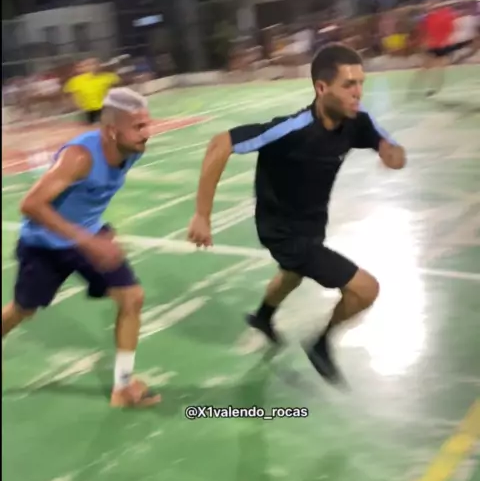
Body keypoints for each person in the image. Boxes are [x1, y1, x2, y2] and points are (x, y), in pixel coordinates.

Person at [187, 43, 406, 386]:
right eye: (349, 84)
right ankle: (321, 344)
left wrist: (392, 155)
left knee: (292, 275)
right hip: (281, 229)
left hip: (311, 223)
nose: (358, 93)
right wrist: (202, 214)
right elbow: (220, 143)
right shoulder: (292, 129)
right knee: (366, 289)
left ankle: (263, 317)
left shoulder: (356, 121)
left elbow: (390, 148)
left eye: (360, 83)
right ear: (321, 87)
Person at [2, 87, 160, 409]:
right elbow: (31, 205)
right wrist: (88, 241)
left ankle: (123, 386)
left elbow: (89, 196)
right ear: (112, 131)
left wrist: (98, 232)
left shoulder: (132, 150)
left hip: (88, 237)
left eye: (147, 124)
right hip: (44, 245)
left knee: (132, 297)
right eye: (138, 126)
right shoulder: (79, 157)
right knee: (22, 311)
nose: (147, 133)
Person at [64, 58, 120, 126]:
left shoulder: (110, 77)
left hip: (107, 108)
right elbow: (69, 96)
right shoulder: (75, 81)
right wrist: (75, 106)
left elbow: (118, 92)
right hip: (88, 110)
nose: (93, 67)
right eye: (88, 65)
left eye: (95, 64)